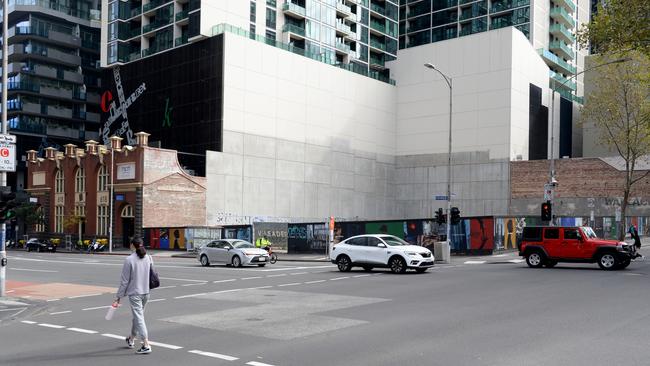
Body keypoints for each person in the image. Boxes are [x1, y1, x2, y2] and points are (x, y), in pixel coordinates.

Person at [114, 237, 153, 354]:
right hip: (146, 292)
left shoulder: (129, 259)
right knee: (138, 317)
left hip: (135, 293)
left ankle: (146, 344)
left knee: (139, 318)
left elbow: (124, 281)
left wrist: (118, 296)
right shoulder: (149, 257)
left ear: (132, 245)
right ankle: (131, 338)